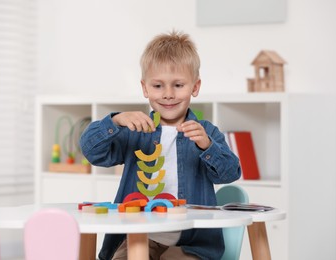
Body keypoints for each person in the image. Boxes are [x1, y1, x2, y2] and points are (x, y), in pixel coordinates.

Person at [80, 30, 241, 260]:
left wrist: (207, 146)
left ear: (195, 87)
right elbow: (91, 151)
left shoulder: (207, 131)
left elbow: (230, 172)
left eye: (178, 85)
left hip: (192, 242)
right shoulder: (134, 131)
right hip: (140, 235)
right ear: (145, 88)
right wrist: (114, 121)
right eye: (158, 86)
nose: (168, 94)